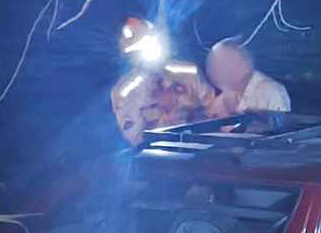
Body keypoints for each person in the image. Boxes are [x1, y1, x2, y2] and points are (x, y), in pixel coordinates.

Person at [111, 16, 215, 146]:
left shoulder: (188, 71)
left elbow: (213, 110)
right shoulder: (124, 92)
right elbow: (133, 135)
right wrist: (145, 98)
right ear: (129, 56)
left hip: (197, 144)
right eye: (139, 50)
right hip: (156, 153)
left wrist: (193, 120)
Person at [205, 38, 291, 117]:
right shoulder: (226, 95)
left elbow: (279, 130)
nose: (214, 70)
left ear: (246, 65)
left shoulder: (272, 93)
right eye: (213, 65)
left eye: (222, 64)